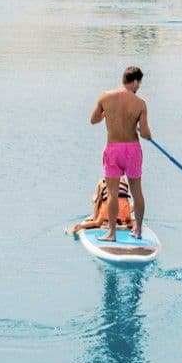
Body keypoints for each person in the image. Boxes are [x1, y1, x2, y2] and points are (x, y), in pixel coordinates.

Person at [90, 66, 152, 241]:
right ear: (134, 82)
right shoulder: (140, 104)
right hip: (132, 149)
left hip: (113, 149)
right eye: (139, 84)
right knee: (137, 192)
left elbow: (93, 120)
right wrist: (141, 130)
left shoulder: (105, 97)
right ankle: (138, 230)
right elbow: (146, 134)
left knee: (112, 193)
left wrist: (106, 114)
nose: (138, 87)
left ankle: (111, 233)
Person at [67, 177, 134, 234]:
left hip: (108, 207)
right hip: (123, 207)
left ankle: (78, 227)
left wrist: (95, 219)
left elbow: (98, 201)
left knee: (97, 222)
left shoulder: (102, 182)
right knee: (129, 219)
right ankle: (125, 222)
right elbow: (125, 199)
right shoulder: (124, 180)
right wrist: (128, 219)